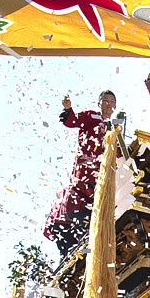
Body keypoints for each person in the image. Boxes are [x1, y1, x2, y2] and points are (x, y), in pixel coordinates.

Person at [43, 89, 116, 255]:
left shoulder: (113, 129)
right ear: (99, 103)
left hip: (103, 175)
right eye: (105, 101)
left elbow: (117, 154)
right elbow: (72, 121)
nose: (108, 104)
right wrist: (68, 109)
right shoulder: (91, 116)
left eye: (112, 102)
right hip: (86, 171)